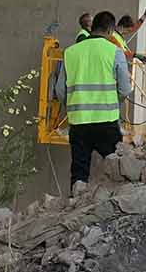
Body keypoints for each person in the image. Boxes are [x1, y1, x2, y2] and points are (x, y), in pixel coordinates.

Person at [55, 10, 131, 188]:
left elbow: (60, 90)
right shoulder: (114, 52)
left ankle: (75, 204)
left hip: (79, 123)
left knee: (79, 172)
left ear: (93, 27)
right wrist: (114, 103)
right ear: (111, 31)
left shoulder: (71, 52)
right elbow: (125, 89)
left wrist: (73, 106)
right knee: (116, 172)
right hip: (107, 122)